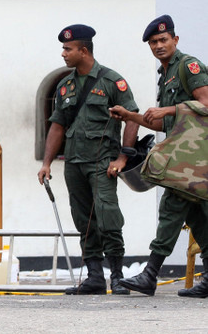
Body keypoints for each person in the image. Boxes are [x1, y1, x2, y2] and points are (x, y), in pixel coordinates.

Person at [37, 24, 139, 295]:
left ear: (84, 51)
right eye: (63, 48)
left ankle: (117, 276)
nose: (63, 53)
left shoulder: (111, 81)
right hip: (74, 162)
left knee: (107, 215)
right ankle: (94, 276)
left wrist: (123, 157)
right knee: (83, 219)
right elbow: (57, 125)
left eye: (67, 49)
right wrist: (46, 163)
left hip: (102, 161)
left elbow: (132, 118)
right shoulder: (64, 85)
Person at [110, 15, 208, 298]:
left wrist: (169, 109)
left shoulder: (189, 66)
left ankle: (150, 274)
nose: (158, 45)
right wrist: (130, 116)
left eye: (163, 40)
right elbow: (161, 123)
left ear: (175, 40)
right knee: (198, 215)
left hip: (196, 156)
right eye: (153, 42)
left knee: (172, 205)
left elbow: (205, 103)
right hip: (188, 157)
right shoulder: (166, 75)